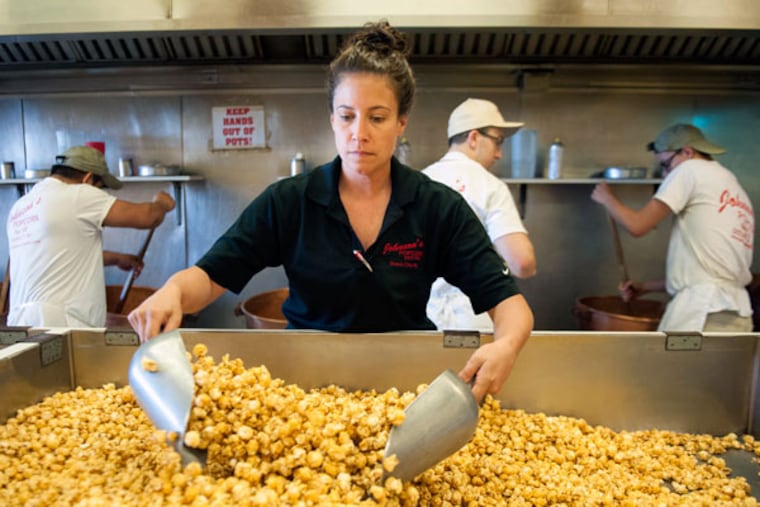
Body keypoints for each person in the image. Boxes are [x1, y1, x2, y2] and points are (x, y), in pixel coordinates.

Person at [128, 20, 533, 402]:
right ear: (332, 120)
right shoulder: (291, 201)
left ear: (401, 122)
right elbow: (212, 276)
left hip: (405, 391)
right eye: (347, 116)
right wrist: (174, 292)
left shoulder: (436, 206)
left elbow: (508, 304)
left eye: (377, 117)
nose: (360, 133)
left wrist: (507, 345)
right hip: (305, 388)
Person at [591, 124, 754, 332]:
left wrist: (608, 199)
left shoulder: (690, 169)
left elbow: (638, 226)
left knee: (669, 365)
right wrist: (645, 287)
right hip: (736, 313)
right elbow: (709, 272)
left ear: (687, 152)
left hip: (701, 312)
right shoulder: (731, 183)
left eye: (666, 165)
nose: (667, 174)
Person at [6, 145, 175, 328]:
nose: (100, 193)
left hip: (18, 324)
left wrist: (117, 258)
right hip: (61, 325)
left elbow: (60, 255)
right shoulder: (79, 194)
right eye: (100, 187)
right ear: (87, 178)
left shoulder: (22, 206)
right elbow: (148, 217)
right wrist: (161, 203)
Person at [423, 98, 537, 330]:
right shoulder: (489, 186)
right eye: (498, 142)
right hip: (474, 322)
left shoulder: (420, 181)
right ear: (473, 138)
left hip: (423, 319)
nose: (499, 154)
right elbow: (522, 262)